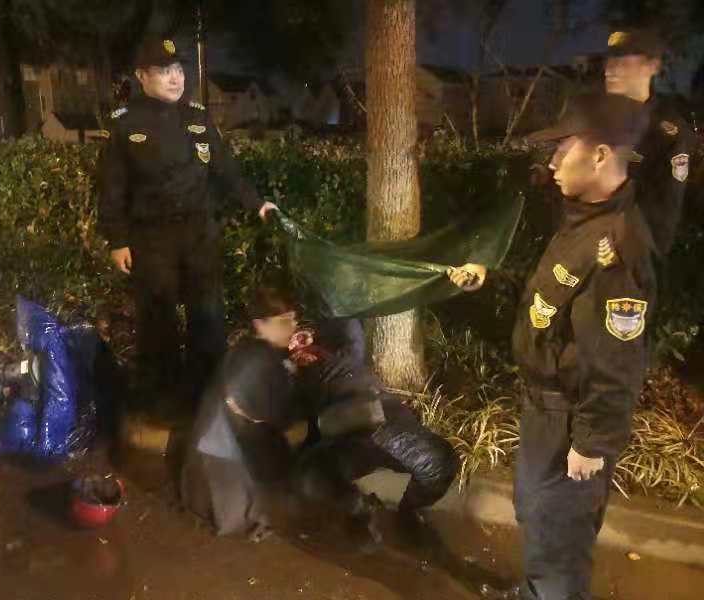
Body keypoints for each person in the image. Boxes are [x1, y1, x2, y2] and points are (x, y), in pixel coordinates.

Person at [451, 93, 656, 599]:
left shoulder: (618, 248)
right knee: (538, 516)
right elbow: (553, 293)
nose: (552, 163)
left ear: (601, 155)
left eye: (563, 149)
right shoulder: (582, 221)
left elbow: (617, 360)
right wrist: (492, 279)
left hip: (569, 419)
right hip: (545, 410)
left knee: (560, 536)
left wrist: (591, 442)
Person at [96, 37, 278, 408]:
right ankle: (160, 400)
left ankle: (208, 395)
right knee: (157, 319)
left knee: (208, 315)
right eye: (164, 71)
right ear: (142, 76)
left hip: (198, 232)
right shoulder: (125, 123)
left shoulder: (197, 117)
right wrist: (117, 240)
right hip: (152, 237)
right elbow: (112, 188)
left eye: (178, 69)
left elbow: (225, 169)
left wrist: (257, 203)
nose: (175, 78)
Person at [288, 319, 459, 546]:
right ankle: (392, 517)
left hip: (384, 436)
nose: (297, 349)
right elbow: (350, 328)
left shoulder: (336, 360)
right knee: (316, 468)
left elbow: (348, 326)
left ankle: (377, 519)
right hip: (397, 446)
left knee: (311, 474)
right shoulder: (340, 362)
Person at [179, 286, 302, 541]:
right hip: (222, 470)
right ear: (259, 324)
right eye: (283, 321)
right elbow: (277, 417)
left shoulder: (245, 349)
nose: (291, 327)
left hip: (202, 469)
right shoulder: (260, 357)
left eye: (293, 319)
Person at [604, 27, 693, 256]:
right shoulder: (600, 118)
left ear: (652, 66)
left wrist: (638, 257)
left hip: (627, 254)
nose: (610, 68)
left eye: (623, 59)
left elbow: (666, 207)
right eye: (610, 59)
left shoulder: (668, 132)